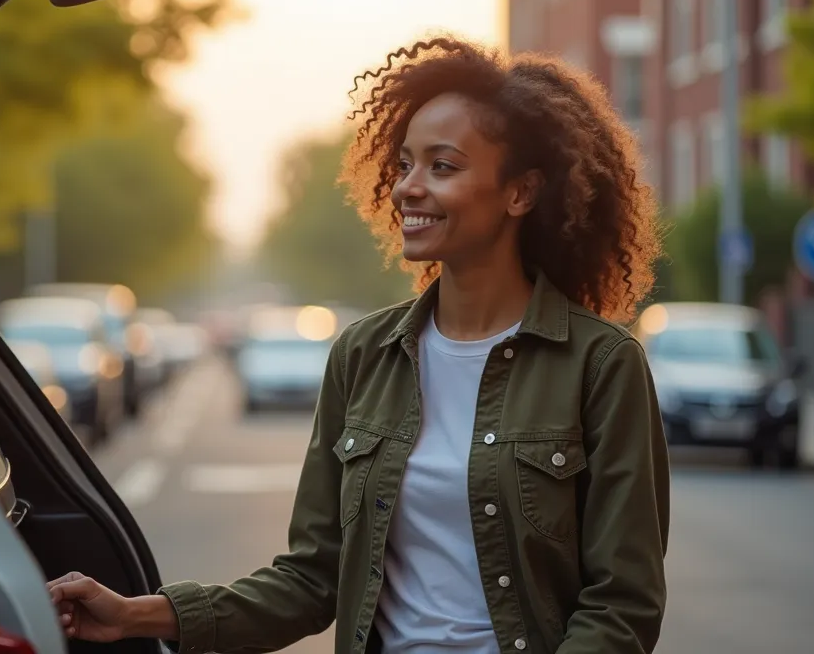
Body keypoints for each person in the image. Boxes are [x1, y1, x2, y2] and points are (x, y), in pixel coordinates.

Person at [48, 36, 670, 654]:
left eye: (443, 166)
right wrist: (136, 615)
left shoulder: (601, 365)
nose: (407, 188)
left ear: (521, 192)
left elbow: (622, 605)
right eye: (404, 165)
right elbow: (312, 579)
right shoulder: (363, 355)